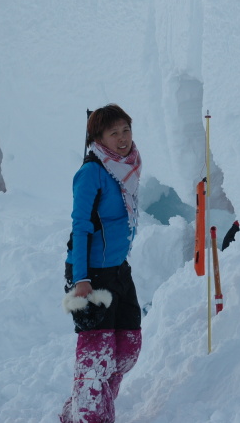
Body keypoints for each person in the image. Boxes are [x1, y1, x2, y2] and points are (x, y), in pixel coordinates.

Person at [61, 104, 143, 423]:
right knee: (96, 358)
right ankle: (90, 415)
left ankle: (82, 409)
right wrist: (81, 279)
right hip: (90, 276)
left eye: (126, 129)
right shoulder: (91, 172)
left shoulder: (126, 166)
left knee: (127, 347)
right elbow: (80, 226)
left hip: (118, 270)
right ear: (98, 137)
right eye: (114, 132)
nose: (122, 138)